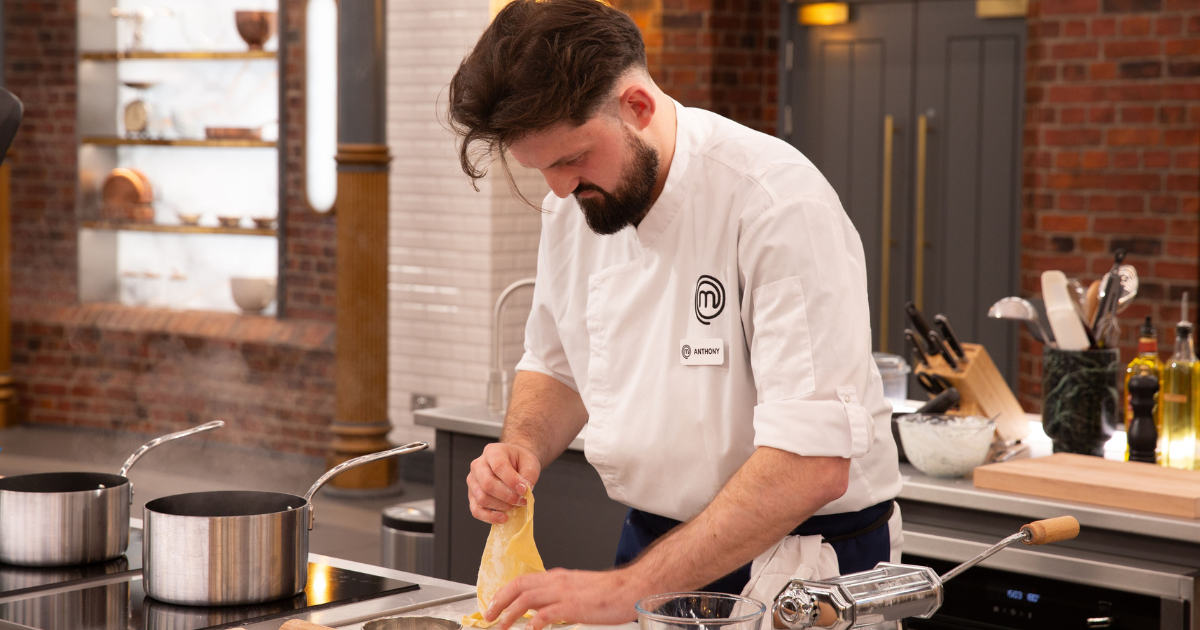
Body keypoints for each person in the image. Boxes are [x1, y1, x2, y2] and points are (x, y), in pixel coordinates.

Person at [446, 1, 902, 628]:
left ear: (637, 105)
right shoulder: (576, 205)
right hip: (660, 548)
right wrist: (519, 446)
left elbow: (810, 465)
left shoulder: (775, 204)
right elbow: (556, 366)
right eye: (541, 168)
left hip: (800, 567)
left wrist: (619, 590)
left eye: (571, 159)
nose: (557, 189)